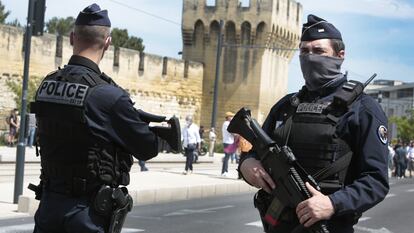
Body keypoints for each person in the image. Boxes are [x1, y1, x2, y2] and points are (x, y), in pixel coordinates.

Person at [30, 4, 178, 233]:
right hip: (87, 213)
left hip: (49, 206)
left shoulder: (46, 85)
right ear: (107, 43)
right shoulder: (109, 97)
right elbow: (147, 149)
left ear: (72, 38)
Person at [238, 14, 389, 233]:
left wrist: (333, 203)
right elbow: (253, 150)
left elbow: (376, 181)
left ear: (340, 55)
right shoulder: (286, 106)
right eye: (304, 51)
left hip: (328, 225)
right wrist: (247, 164)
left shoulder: (362, 109)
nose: (309, 57)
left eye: (318, 51)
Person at [221, 111, 235, 176]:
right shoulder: (226, 123)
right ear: (228, 117)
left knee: (227, 157)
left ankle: (224, 171)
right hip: (228, 142)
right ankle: (224, 171)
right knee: (227, 157)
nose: (232, 118)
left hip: (229, 142)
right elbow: (231, 132)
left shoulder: (227, 123)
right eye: (231, 116)